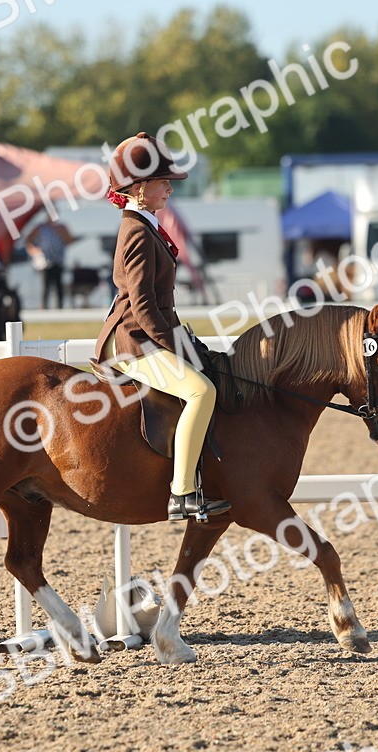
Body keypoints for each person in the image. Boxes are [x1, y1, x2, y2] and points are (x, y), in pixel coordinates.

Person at [93, 131, 229, 522]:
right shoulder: (136, 231)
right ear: (138, 189)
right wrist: (173, 345)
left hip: (150, 333)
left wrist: (185, 341)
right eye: (162, 182)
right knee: (201, 392)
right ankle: (182, 492)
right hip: (135, 342)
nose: (170, 188)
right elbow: (143, 304)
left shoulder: (145, 223)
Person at [26, 215, 77, 310]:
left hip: (58, 261)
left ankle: (60, 307)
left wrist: (62, 234)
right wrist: (35, 251)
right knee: (46, 286)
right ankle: (44, 307)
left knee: (59, 286)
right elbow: (28, 241)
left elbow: (70, 240)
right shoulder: (40, 227)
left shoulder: (62, 227)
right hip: (45, 262)